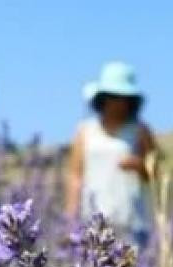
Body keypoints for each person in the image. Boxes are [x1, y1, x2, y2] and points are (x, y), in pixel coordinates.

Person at [64, 61, 157, 248]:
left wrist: (139, 165)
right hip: (92, 222)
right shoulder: (85, 131)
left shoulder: (140, 130)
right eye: (113, 96)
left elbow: (156, 174)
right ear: (102, 98)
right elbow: (75, 176)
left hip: (131, 221)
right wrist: (70, 220)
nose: (119, 103)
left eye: (124, 97)